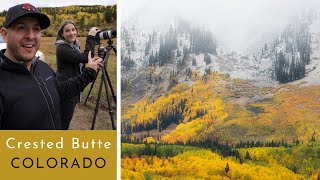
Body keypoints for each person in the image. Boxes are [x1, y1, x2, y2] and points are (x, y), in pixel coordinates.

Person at [0, 3, 103, 130]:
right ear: (5, 34)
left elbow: (60, 91)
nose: (31, 36)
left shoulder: (42, 67)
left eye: (36, 29)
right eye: (21, 28)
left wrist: (89, 74)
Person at [55, 20, 99, 130]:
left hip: (73, 88)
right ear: (62, 34)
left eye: (73, 30)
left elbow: (79, 63)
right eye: (67, 31)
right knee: (63, 121)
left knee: (65, 118)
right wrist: (91, 37)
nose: (71, 33)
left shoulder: (74, 46)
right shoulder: (62, 48)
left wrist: (91, 65)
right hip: (66, 91)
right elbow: (85, 57)